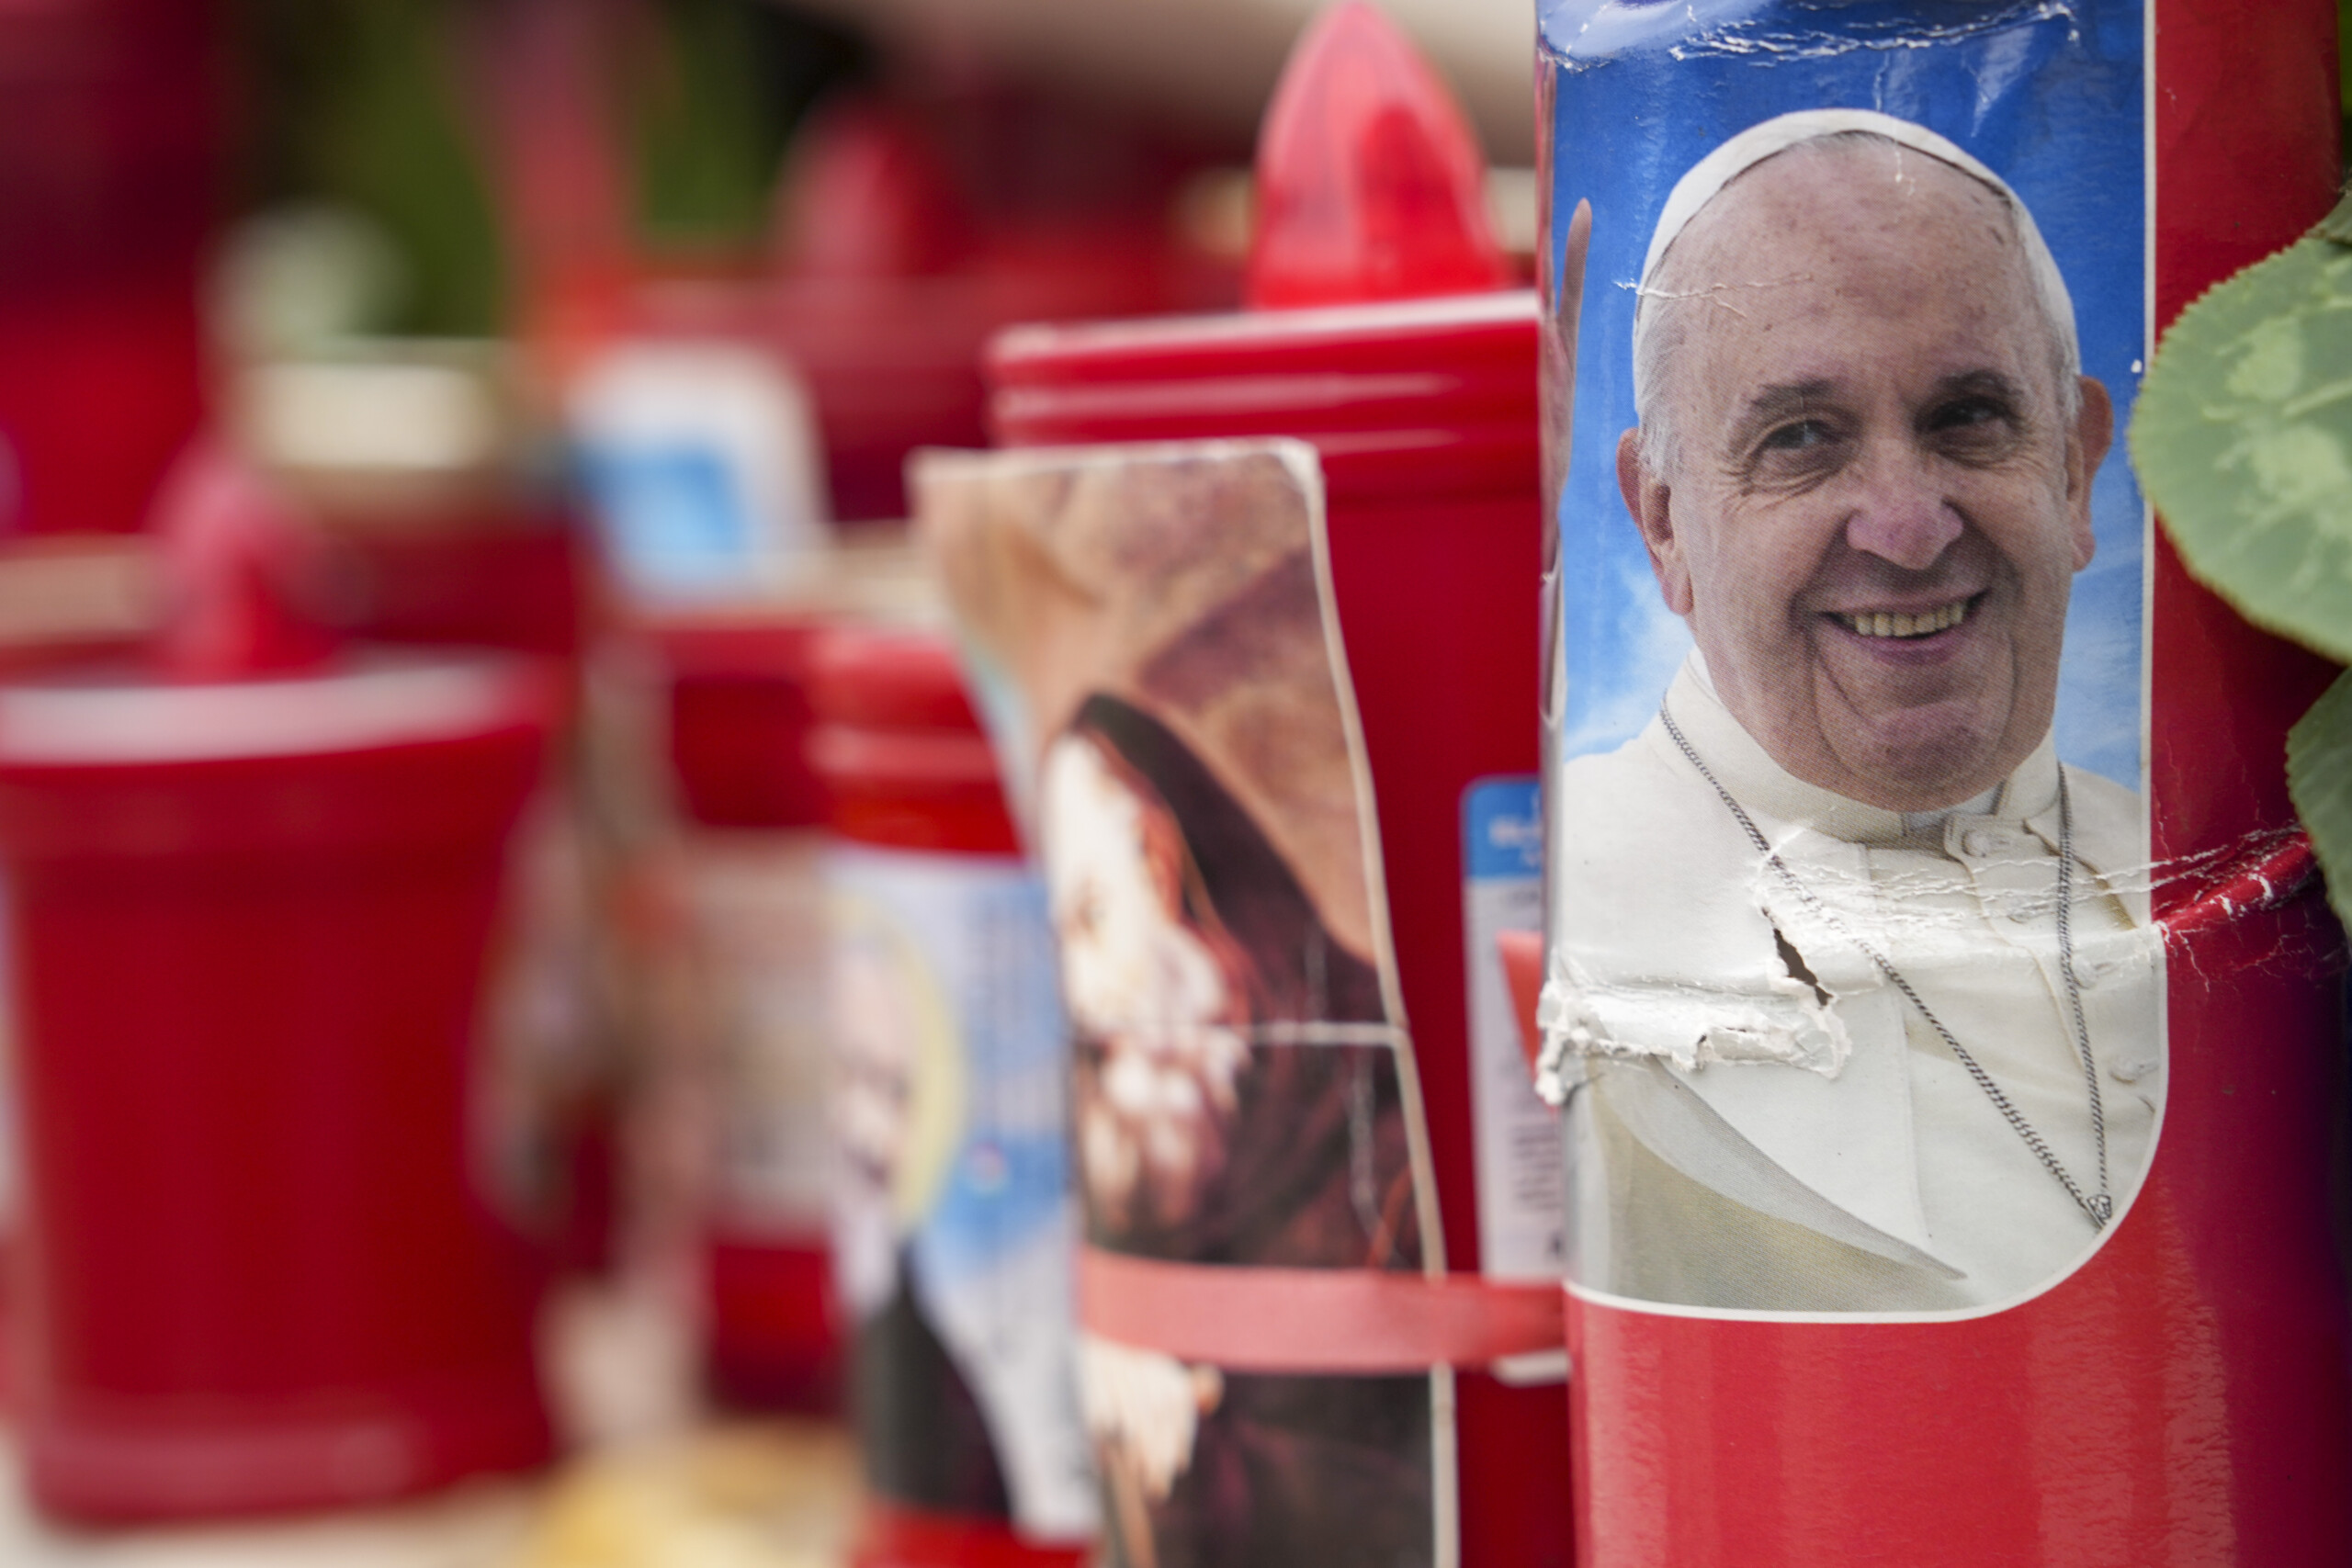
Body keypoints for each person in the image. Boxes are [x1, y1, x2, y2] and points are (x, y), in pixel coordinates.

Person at [1545, 109, 2161, 1313]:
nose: (1908, 525)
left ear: (2077, 468)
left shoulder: (2215, 866)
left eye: (1966, 417)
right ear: (1663, 521)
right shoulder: (1569, 894)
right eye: (1804, 439)